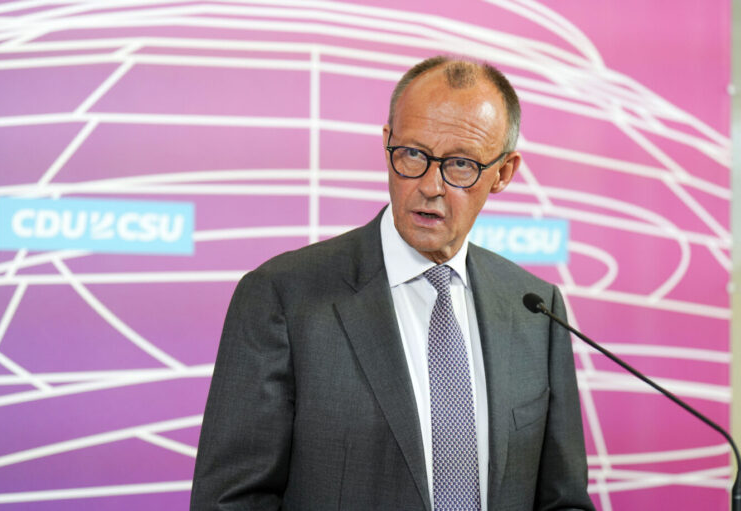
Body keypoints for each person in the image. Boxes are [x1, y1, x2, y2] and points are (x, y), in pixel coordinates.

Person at [191, 56, 594, 511]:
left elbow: (563, 501)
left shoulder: (535, 309)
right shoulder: (284, 298)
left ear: (503, 173)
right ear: (387, 144)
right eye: (413, 155)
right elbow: (229, 502)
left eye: (460, 165)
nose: (430, 186)